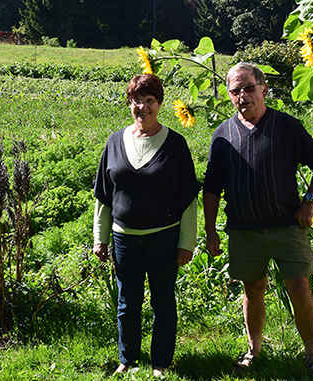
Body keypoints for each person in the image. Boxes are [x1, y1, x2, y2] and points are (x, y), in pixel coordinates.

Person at [203, 62, 313, 378]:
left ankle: (312, 354)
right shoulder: (223, 135)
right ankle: (254, 350)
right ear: (229, 96)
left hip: (288, 226)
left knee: (300, 288)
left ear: (263, 88)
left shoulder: (286, 127)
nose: (243, 96)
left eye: (249, 87)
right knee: (253, 290)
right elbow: (211, 188)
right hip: (244, 231)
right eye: (236, 91)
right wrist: (210, 232)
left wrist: (310, 200)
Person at [92, 74, 201, 377]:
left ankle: (161, 363)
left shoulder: (176, 145)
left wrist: (186, 243)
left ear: (160, 103)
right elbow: (104, 195)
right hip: (123, 239)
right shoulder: (114, 141)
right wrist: (100, 238)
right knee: (127, 302)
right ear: (130, 103)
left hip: (163, 238)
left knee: (163, 300)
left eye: (149, 100)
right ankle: (127, 359)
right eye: (137, 100)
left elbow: (188, 199)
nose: (143, 107)